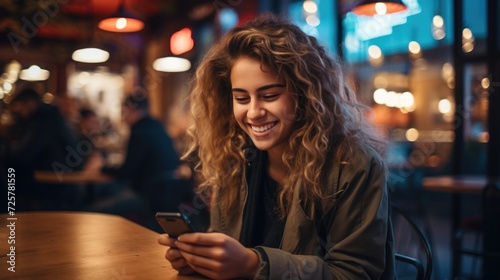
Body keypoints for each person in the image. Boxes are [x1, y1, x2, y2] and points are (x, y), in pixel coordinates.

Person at [157, 13, 396, 279]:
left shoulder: (354, 165)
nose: (254, 112)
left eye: (269, 96)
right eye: (241, 98)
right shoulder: (235, 156)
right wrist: (203, 260)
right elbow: (225, 241)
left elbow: (354, 273)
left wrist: (253, 265)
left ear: (306, 95)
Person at [86, 92, 187, 229]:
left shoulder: (139, 131)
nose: (122, 115)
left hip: (146, 197)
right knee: (104, 192)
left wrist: (101, 167)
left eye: (124, 110)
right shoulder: (157, 125)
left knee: (91, 211)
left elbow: (126, 173)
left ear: (132, 110)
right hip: (164, 196)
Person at [5, 87, 84, 210]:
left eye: (18, 106)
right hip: (61, 185)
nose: (17, 110)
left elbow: (23, 156)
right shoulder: (52, 117)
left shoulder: (43, 119)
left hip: (52, 188)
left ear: (30, 103)